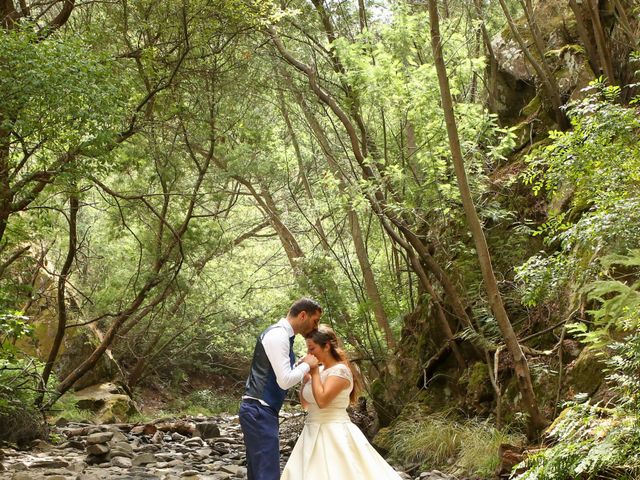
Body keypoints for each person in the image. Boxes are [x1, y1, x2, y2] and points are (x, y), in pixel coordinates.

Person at [281, 324, 402, 480]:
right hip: (310, 431)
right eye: (307, 349)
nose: (308, 354)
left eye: (312, 349)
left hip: (334, 430)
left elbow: (323, 401)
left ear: (326, 346)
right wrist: (305, 379)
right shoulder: (319, 371)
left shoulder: (340, 371)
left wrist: (314, 372)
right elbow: (305, 405)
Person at [239, 298, 322, 480]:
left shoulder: (282, 335)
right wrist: (307, 365)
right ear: (302, 315)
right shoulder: (278, 336)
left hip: (260, 411)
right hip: (259, 410)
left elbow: (279, 374)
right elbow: (284, 380)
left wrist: (300, 367)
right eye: (315, 321)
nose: (316, 327)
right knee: (267, 475)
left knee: (259, 474)